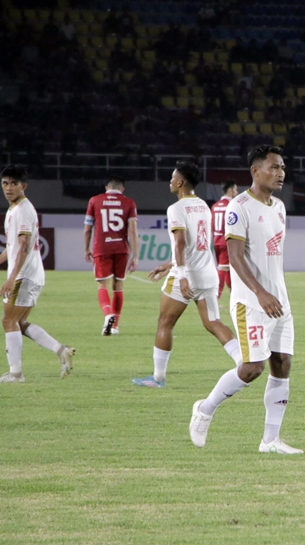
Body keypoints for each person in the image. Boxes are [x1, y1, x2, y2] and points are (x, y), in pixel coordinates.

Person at [189, 145, 303, 454]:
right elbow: (236, 258)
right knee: (253, 368)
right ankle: (205, 409)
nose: (281, 173)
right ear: (255, 171)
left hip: (279, 302)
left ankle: (270, 441)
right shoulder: (238, 208)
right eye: (274, 167)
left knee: (282, 364)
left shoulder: (278, 206)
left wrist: (274, 292)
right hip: (251, 302)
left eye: (282, 167)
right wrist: (260, 292)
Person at [132, 161, 242, 388]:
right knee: (213, 322)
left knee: (165, 322)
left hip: (187, 275)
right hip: (208, 272)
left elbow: (181, 243)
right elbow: (197, 244)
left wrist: (180, 274)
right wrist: (169, 263)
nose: (170, 181)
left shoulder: (176, 209)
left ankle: (158, 378)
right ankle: (243, 362)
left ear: (180, 182)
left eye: (172, 178)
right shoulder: (203, 205)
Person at [1, 165, 75, 382]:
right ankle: (62, 351)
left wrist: (12, 277)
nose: (9, 188)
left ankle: (16, 374)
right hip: (31, 275)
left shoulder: (23, 210)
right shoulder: (14, 209)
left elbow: (23, 247)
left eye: (14, 183)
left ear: (23, 186)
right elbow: (12, 248)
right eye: (5, 183)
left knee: (8, 321)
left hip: (24, 276)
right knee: (19, 324)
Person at [83, 176, 139, 335]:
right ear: (122, 189)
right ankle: (115, 326)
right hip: (121, 248)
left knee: (102, 286)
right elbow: (133, 232)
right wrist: (135, 256)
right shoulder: (129, 203)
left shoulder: (95, 201)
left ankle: (108, 315)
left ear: (107, 187)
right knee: (118, 286)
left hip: (102, 247)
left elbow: (88, 229)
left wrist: (86, 248)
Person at [211, 180, 238, 298]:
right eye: (236, 190)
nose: (237, 192)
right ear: (231, 190)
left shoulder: (215, 205)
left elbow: (211, 224)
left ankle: (234, 294)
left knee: (227, 268)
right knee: (223, 269)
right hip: (226, 241)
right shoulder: (232, 205)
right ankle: (215, 297)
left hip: (216, 240)